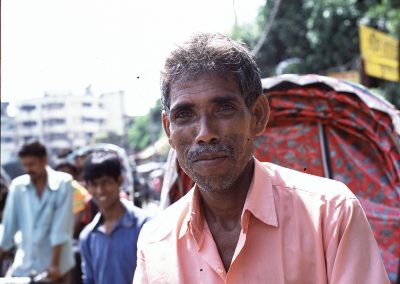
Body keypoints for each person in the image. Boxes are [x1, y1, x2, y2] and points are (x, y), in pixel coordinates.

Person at [133, 33, 390, 283]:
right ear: (168, 129)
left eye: (223, 109)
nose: (205, 134)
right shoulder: (155, 242)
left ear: (257, 116)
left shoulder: (331, 213)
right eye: (184, 115)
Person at [0, 141, 75, 283]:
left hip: (57, 268)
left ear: (44, 160)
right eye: (24, 165)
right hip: (25, 265)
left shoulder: (63, 183)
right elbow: (8, 228)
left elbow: (61, 227)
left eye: (32, 164)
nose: (28, 169)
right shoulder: (18, 186)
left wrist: (54, 265)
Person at [79, 152, 150, 284]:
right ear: (87, 187)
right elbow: (89, 279)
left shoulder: (145, 225)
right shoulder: (87, 237)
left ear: (119, 181)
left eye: (105, 182)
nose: (100, 190)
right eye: (94, 184)